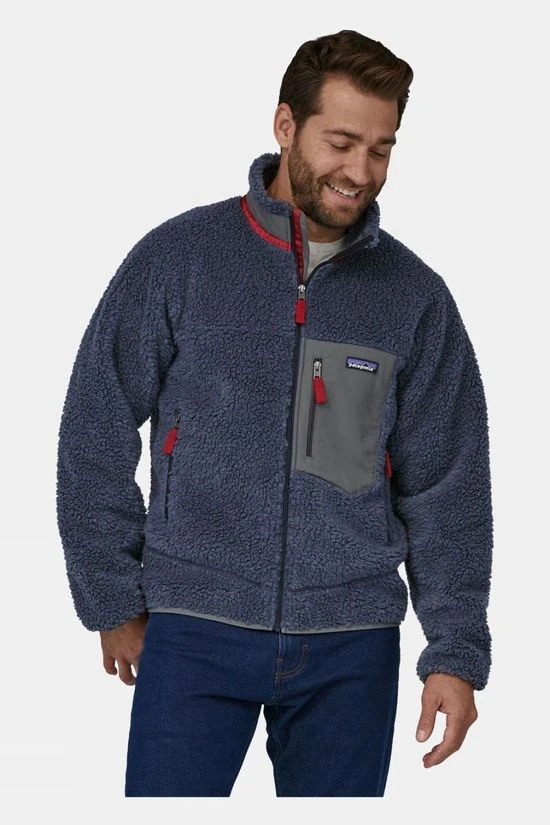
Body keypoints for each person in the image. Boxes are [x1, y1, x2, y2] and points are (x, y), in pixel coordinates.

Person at [56, 29, 493, 797]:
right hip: (194, 626)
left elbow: (448, 487)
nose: (360, 171)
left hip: (350, 646)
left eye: (382, 149)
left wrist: (454, 653)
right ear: (285, 125)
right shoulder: (180, 259)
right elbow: (94, 425)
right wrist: (111, 596)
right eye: (342, 142)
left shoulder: (414, 298)